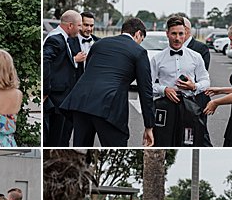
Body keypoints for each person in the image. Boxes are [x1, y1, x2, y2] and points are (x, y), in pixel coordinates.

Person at [60, 17, 155, 147]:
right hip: (109, 104)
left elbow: (89, 70)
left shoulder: (99, 44)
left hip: (81, 101)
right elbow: (146, 91)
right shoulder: (139, 52)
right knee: (116, 148)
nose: (139, 43)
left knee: (80, 150)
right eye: (141, 40)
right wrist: (149, 126)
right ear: (138, 34)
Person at [150, 16, 211, 147]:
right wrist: (164, 89)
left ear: (186, 34)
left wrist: (194, 86)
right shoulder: (157, 59)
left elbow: (206, 81)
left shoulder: (196, 57)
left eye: (180, 34)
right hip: (165, 107)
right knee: (163, 142)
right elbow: (147, 86)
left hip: (189, 106)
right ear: (167, 34)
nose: (177, 38)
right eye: (173, 34)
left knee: (188, 142)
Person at [43, 9, 82, 146]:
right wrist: (45, 90)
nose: (80, 29)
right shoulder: (55, 39)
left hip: (63, 97)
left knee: (62, 137)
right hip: (56, 98)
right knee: (55, 139)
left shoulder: (64, 38)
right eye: (79, 25)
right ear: (70, 25)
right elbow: (45, 59)